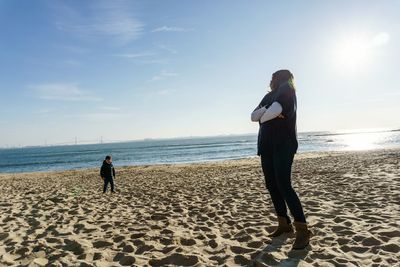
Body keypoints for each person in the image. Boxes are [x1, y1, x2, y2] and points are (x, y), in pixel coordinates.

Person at [251, 69, 310, 250]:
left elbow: (274, 111)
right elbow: (254, 116)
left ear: (280, 78)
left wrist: (265, 114)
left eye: (273, 77)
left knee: (284, 184)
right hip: (266, 146)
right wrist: (266, 112)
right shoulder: (269, 96)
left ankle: (302, 230)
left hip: (283, 144)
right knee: (272, 184)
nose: (270, 80)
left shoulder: (287, 90)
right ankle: (284, 224)